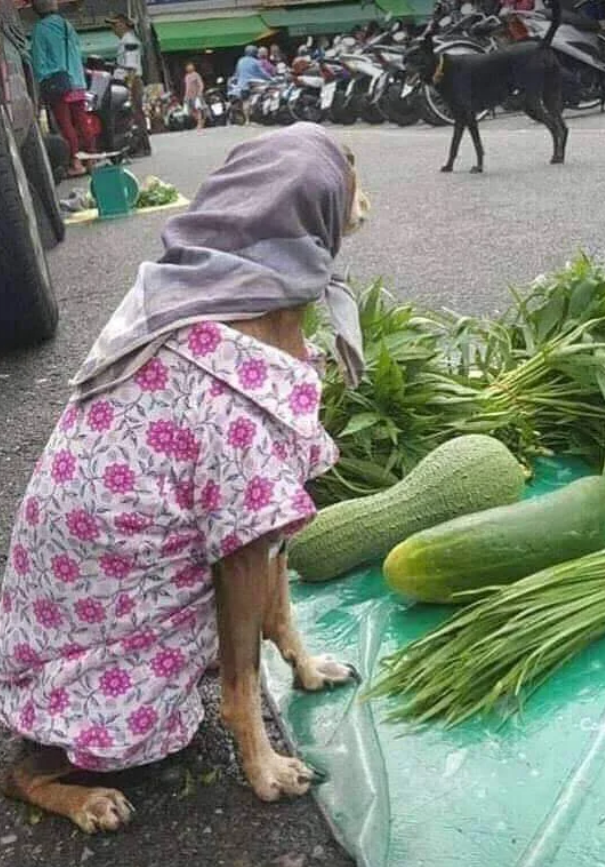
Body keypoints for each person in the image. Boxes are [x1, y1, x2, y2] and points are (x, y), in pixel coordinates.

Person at [0, 124, 371, 831]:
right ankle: (41, 778)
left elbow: (261, 534)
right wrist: (250, 730)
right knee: (125, 733)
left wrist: (293, 648)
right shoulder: (230, 367)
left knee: (253, 535)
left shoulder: (207, 306)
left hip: (95, 586)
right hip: (86, 631)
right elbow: (240, 556)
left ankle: (283, 650)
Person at [29, 0, 94, 177]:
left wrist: (41, 80)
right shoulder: (67, 26)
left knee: (65, 125)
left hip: (58, 83)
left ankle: (75, 162)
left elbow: (38, 61)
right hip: (77, 81)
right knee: (82, 121)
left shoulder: (40, 29)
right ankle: (91, 160)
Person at [106, 12, 151, 157]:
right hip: (127, 81)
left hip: (131, 81)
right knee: (133, 114)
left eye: (114, 24)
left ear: (123, 24)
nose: (112, 28)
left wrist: (129, 87)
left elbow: (131, 67)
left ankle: (142, 147)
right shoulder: (125, 41)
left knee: (136, 114)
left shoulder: (129, 41)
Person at [183, 62, 205, 131]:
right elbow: (187, 87)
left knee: (198, 109)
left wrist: (200, 92)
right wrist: (185, 96)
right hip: (189, 96)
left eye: (191, 66)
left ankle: (199, 124)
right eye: (188, 67)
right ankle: (200, 121)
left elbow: (201, 84)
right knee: (191, 111)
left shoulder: (196, 75)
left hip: (196, 95)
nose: (189, 68)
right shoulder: (186, 76)